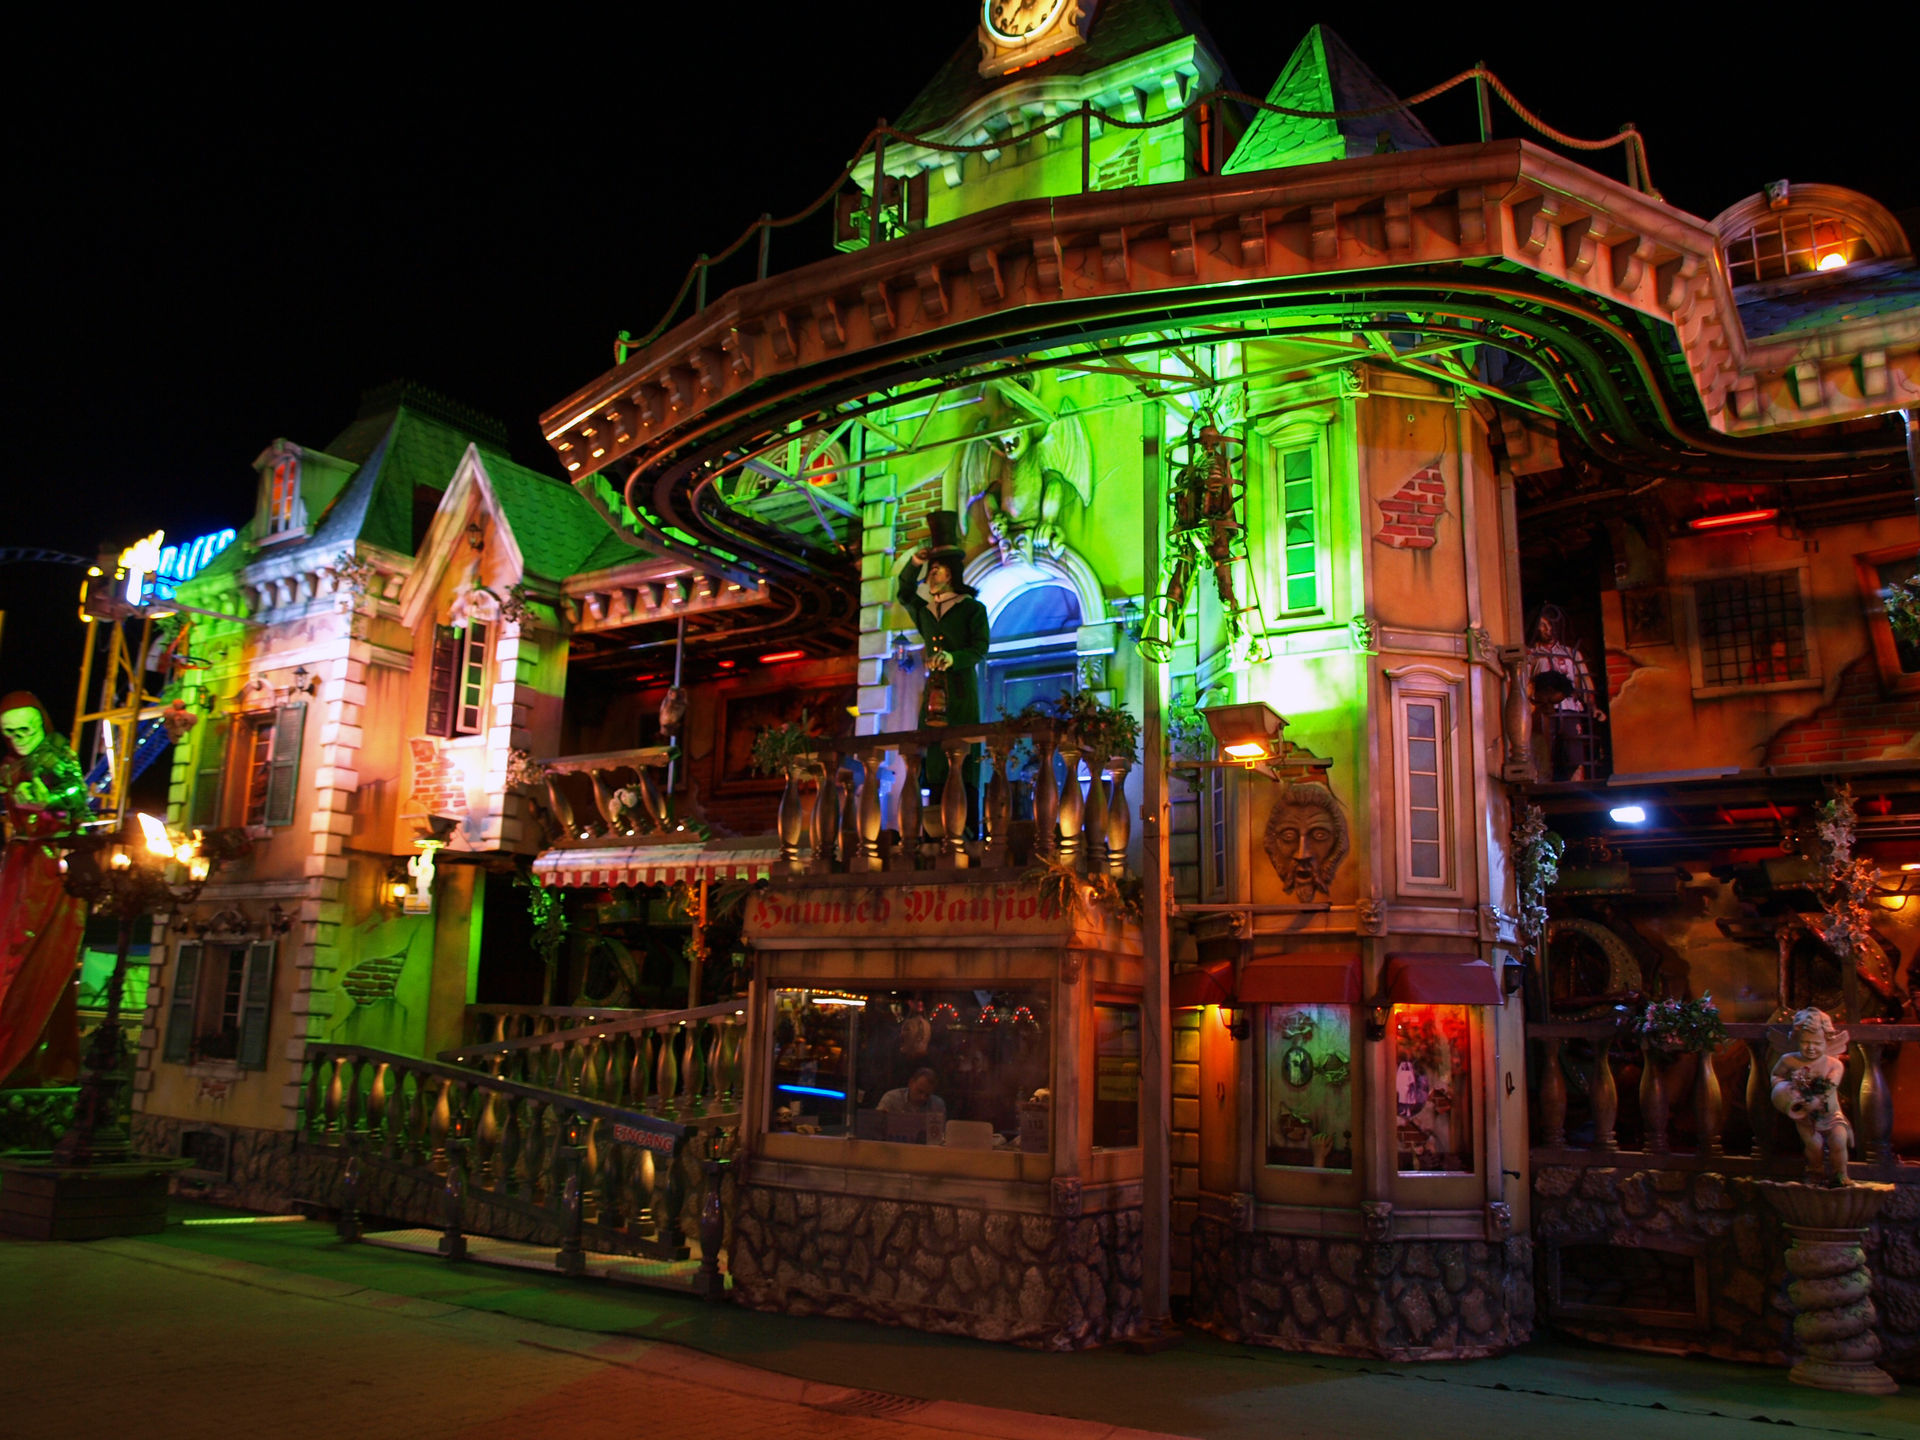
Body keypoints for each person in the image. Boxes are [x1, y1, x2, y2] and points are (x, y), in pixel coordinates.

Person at [0, 693, 90, 1084]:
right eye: (10, 732)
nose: (19, 738)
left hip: (48, 865)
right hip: (20, 865)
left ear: (40, 725)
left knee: (35, 952)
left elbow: (77, 800)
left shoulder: (56, 758)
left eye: (26, 730)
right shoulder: (10, 766)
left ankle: (30, 1053)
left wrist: (48, 802)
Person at [897, 510, 990, 838]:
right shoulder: (926, 612)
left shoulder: (972, 609)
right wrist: (915, 562)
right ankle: (934, 831)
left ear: (950, 573)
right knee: (934, 758)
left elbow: (980, 648)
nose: (929, 577)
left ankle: (967, 831)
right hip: (933, 698)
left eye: (934, 570)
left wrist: (953, 657)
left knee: (961, 755)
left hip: (961, 694)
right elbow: (904, 593)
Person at [1771, 1007, 1853, 1185]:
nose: (1810, 1048)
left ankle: (1840, 1174)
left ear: (1827, 1042)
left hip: (1831, 1114)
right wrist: (1783, 1089)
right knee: (1814, 1144)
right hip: (1805, 1115)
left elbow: (1830, 1086)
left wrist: (1816, 1100)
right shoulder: (1789, 1060)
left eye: (1817, 1043)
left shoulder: (1834, 1064)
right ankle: (1815, 1171)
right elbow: (1776, 1075)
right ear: (1797, 1040)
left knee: (1839, 1141)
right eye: (1805, 1042)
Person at [1526, 605, 1605, 781]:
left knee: (1574, 757)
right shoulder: (1531, 654)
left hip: (1570, 711)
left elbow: (1584, 683)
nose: (1547, 629)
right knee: (1544, 757)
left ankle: (1573, 787)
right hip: (1543, 712)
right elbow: (1526, 685)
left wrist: (1593, 706)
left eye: (1550, 625)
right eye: (1542, 625)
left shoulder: (1571, 654)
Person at [877, 1066, 946, 1118]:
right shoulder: (891, 1098)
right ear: (911, 1083)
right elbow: (876, 1123)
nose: (922, 1097)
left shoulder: (937, 1105)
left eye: (927, 1095)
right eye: (920, 1091)